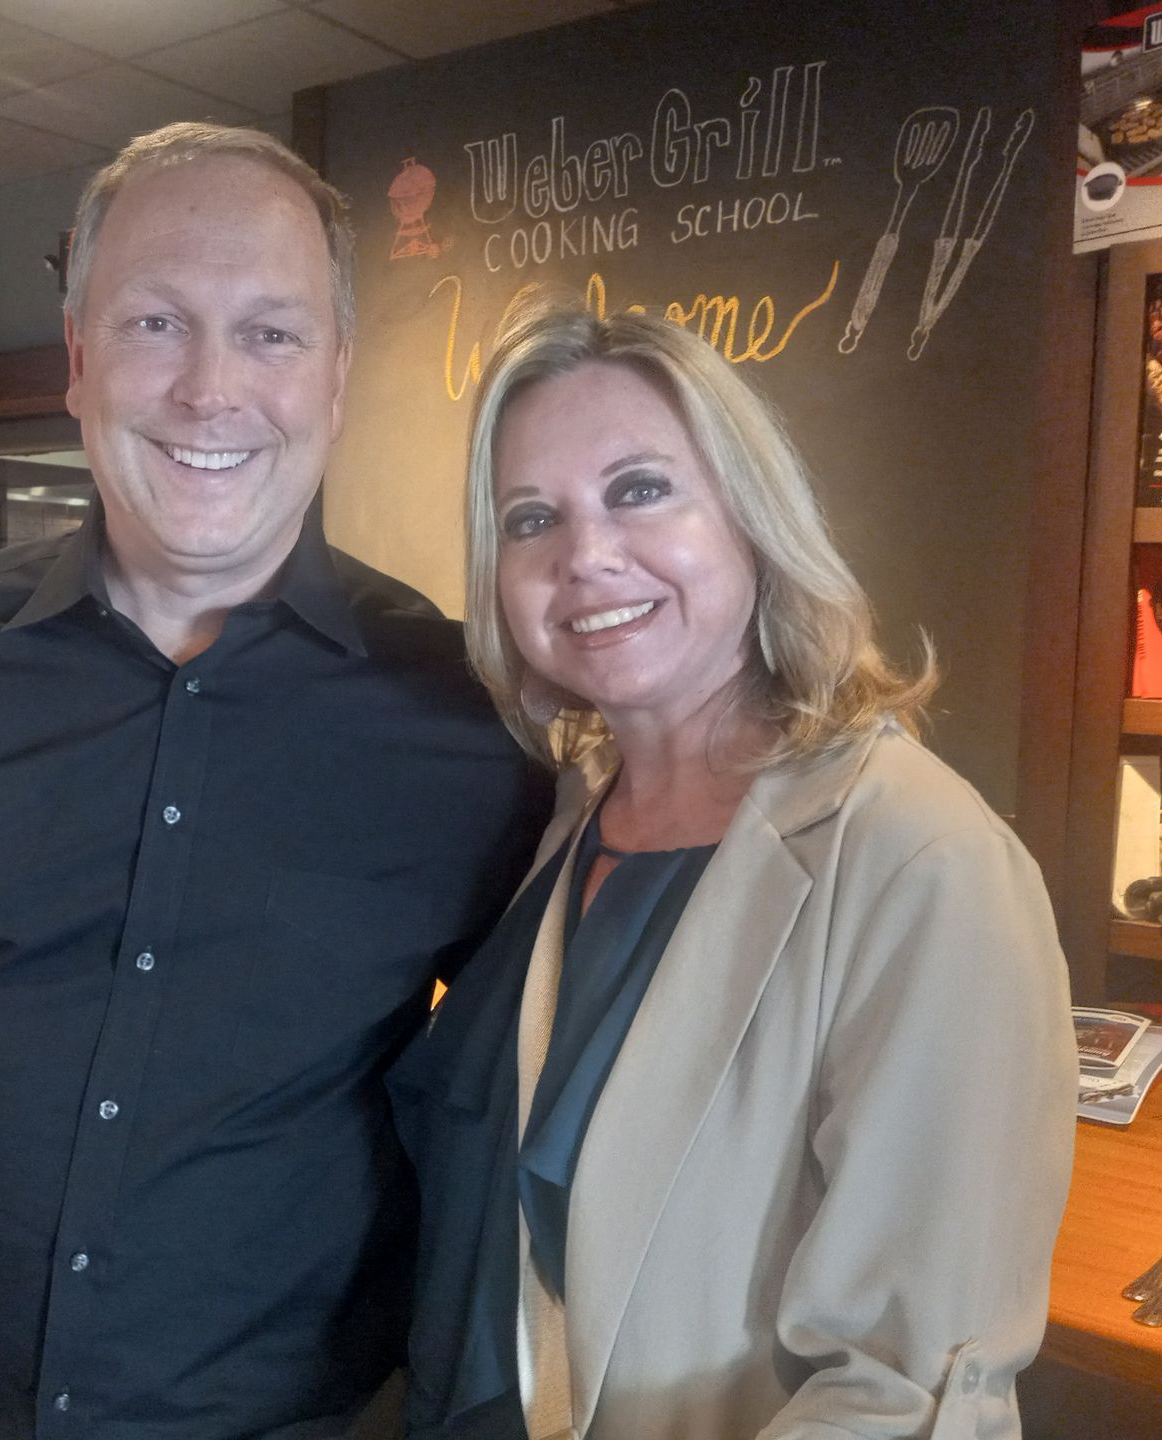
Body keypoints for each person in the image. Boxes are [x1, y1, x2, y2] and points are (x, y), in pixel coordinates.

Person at [0, 122, 551, 1440]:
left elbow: (517, 1108)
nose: (211, 389)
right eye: (157, 323)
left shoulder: (468, 716)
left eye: (272, 333)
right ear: (80, 360)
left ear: (337, 376)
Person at [388, 300, 1075, 1439]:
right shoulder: (560, 817)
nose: (585, 555)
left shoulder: (923, 865)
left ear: (750, 520)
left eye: (641, 489)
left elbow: (905, 1398)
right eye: (530, 518)